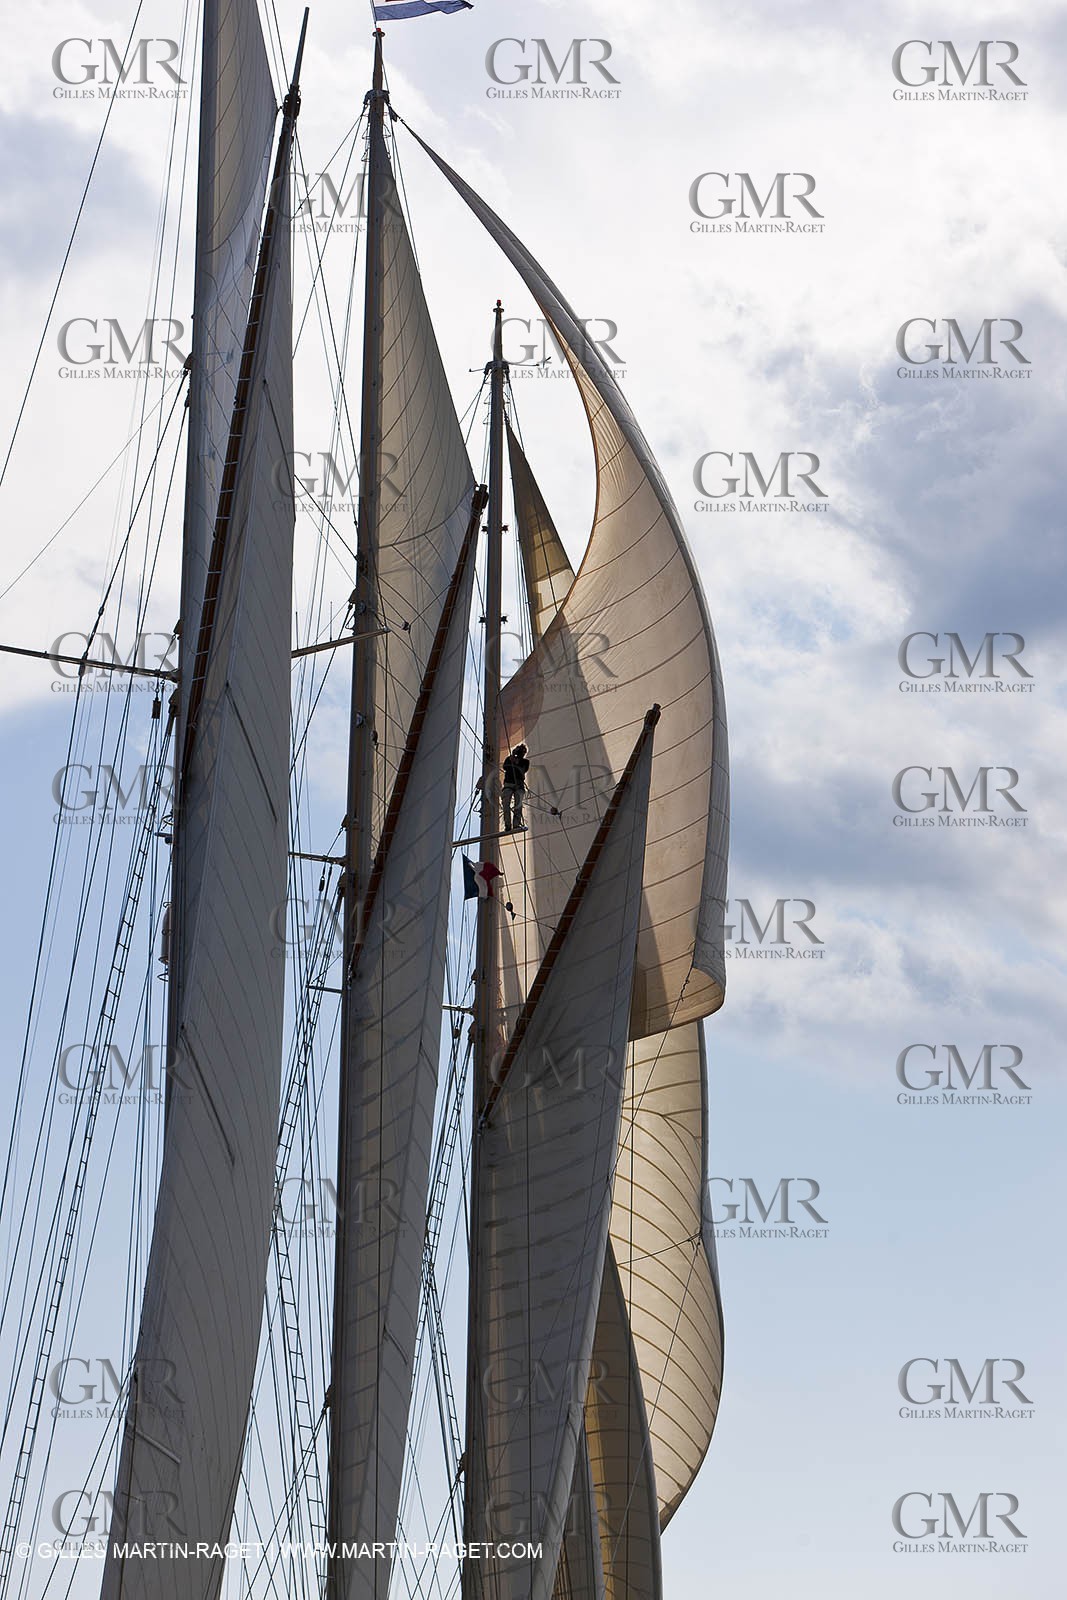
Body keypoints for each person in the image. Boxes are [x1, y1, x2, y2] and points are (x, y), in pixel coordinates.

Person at [501, 744, 529, 832]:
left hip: (519, 785)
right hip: (508, 784)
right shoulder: (509, 759)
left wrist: (516, 762)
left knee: (518, 806)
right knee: (505, 804)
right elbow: (505, 767)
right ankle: (507, 825)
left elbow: (522, 770)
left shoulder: (525, 762)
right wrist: (512, 757)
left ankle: (516, 824)